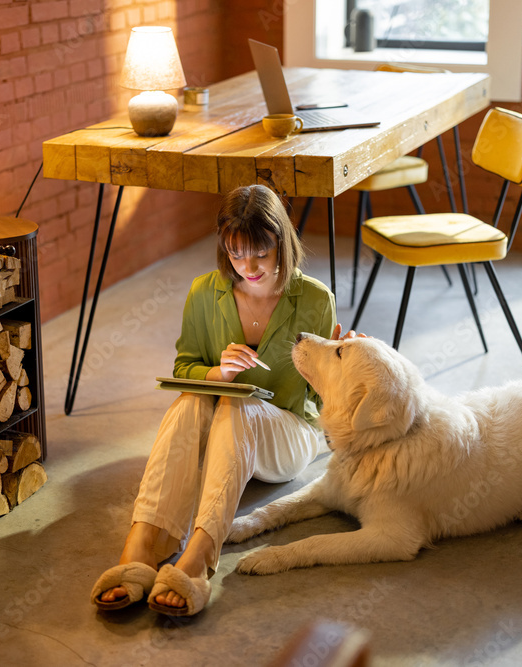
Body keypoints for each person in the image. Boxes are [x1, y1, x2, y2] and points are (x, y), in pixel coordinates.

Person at [90, 184, 351, 617]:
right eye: (235, 253)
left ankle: (196, 559)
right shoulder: (203, 293)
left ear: (281, 244)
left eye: (260, 253)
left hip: (288, 434)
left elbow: (323, 397)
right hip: (226, 429)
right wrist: (219, 374)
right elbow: (185, 368)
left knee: (238, 404)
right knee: (193, 399)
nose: (247, 266)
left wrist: (343, 358)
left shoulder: (315, 299)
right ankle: (139, 547)